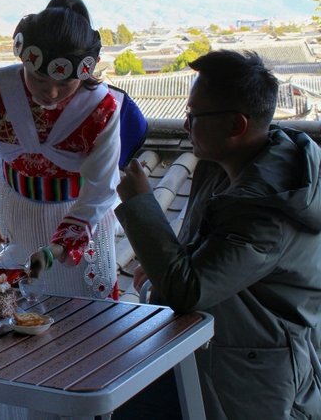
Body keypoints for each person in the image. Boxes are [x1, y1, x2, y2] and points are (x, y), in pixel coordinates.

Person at [114, 50, 321, 419]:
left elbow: (189, 290)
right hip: (213, 347)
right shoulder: (229, 167)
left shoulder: (268, 208)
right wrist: (163, 266)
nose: (185, 126)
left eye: (194, 116)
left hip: (252, 377)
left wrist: (141, 204)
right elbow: (204, 258)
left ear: (236, 126)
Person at [0, 0, 122, 302]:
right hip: (14, 210)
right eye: (39, 78)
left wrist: (57, 248)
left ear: (84, 72)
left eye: (65, 84)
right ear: (23, 59)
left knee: (86, 313)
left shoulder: (101, 108)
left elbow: (101, 189)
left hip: (81, 216)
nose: (52, 92)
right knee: (17, 307)